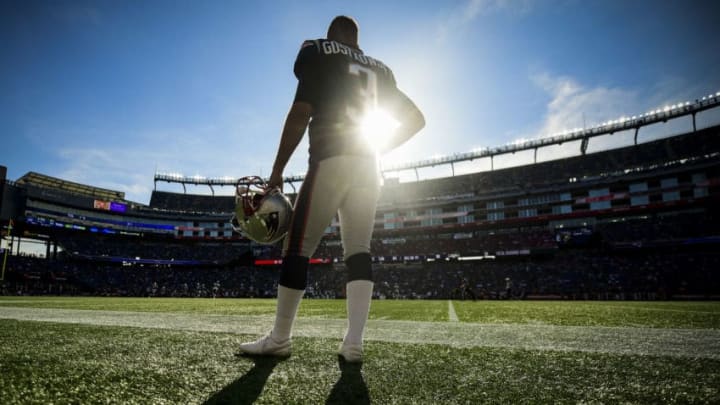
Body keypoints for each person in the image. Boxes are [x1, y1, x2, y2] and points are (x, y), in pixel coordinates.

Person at [238, 15, 425, 363]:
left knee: (297, 246)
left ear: (331, 35)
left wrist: (277, 170)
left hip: (331, 159)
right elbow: (416, 119)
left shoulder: (319, 51)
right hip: (369, 167)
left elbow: (300, 112)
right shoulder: (380, 69)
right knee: (358, 250)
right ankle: (353, 344)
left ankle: (279, 339)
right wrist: (380, 148)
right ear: (357, 40)